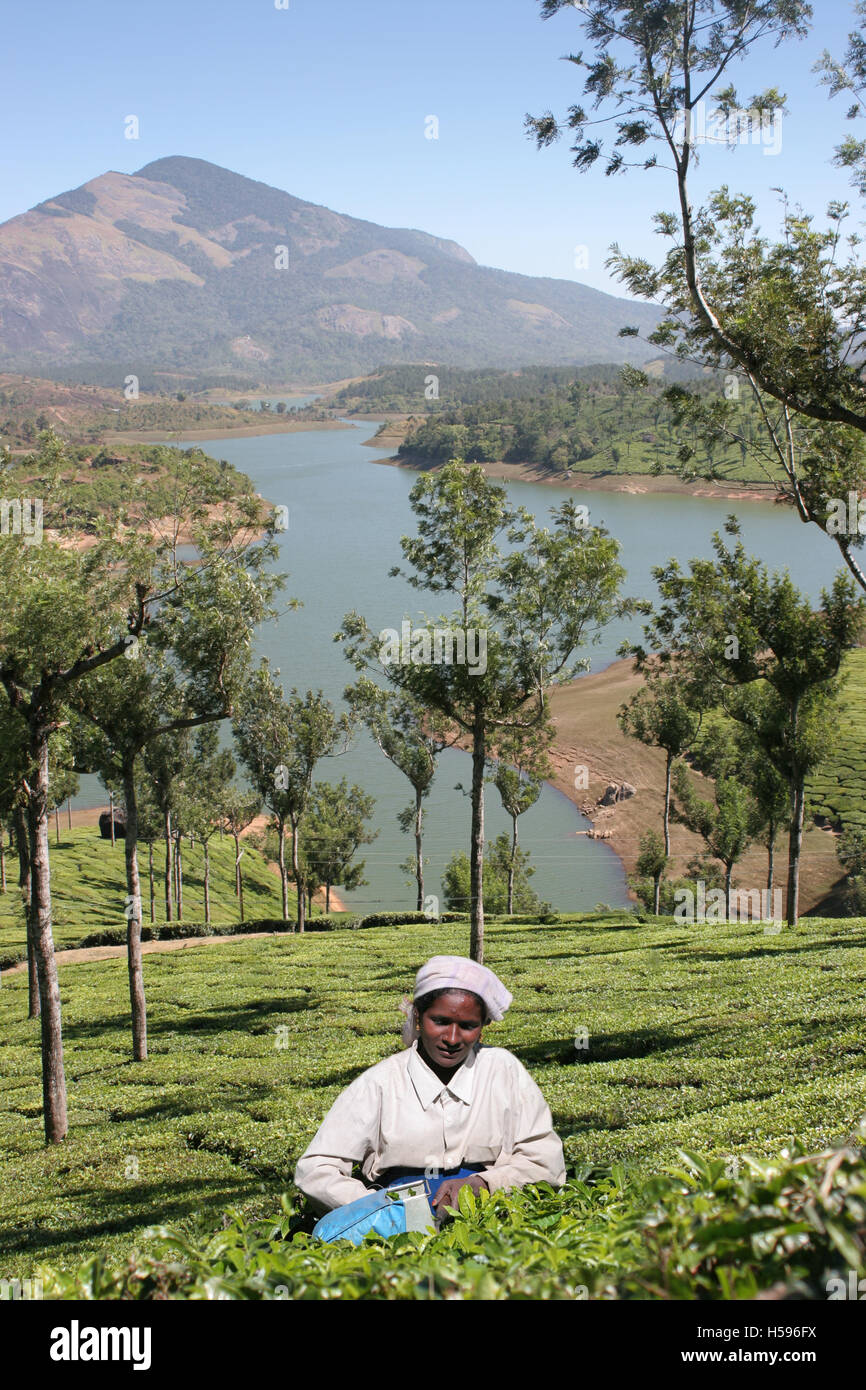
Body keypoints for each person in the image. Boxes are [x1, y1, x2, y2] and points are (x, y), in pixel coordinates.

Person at [294, 954, 566, 1223]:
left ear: (483, 1027)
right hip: (395, 1229)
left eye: (468, 1026)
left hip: (489, 1218)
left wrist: (485, 1184)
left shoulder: (504, 1072)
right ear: (417, 1017)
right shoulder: (379, 1083)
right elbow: (315, 1170)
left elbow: (546, 1162)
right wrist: (381, 1209)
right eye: (440, 1021)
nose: (452, 1038)